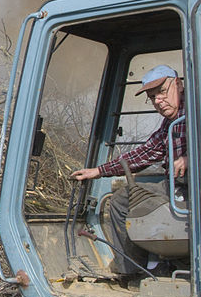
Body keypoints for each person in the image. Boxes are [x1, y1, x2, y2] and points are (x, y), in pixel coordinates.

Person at [71, 64, 188, 278]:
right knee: (121, 199)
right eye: (153, 98)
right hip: (176, 186)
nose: (158, 101)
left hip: (192, 188)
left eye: (162, 92)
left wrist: (190, 158)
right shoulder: (168, 124)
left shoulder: (195, 108)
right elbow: (145, 153)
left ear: (179, 84)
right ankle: (135, 270)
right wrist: (98, 170)